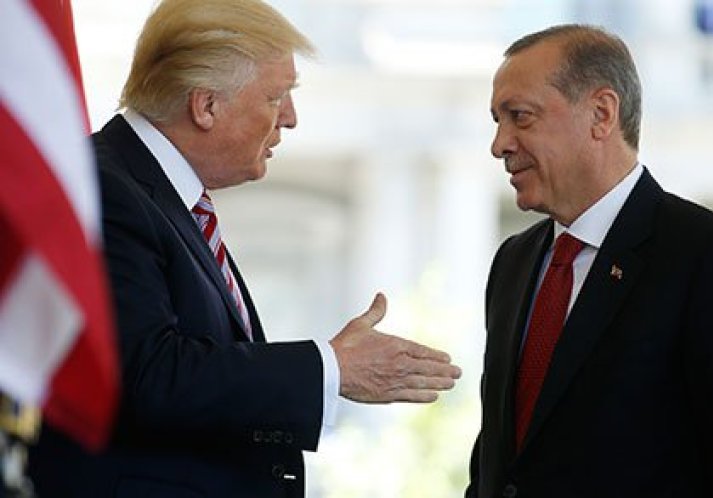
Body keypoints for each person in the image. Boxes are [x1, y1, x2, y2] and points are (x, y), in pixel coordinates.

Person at [27, 0, 461, 497]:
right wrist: (330, 367)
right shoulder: (106, 190)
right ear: (206, 105)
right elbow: (145, 374)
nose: (291, 119)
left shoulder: (163, 197)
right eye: (277, 97)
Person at [466, 24, 713, 498]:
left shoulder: (711, 257)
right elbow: (499, 466)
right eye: (497, 121)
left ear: (601, 114)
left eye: (520, 117)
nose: (499, 144)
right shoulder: (514, 262)